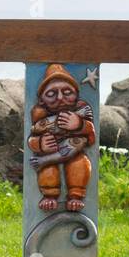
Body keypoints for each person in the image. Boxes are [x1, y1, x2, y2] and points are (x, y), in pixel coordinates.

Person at [28, 64, 96, 212]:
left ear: (76, 95)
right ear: (41, 100)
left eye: (67, 92)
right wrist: (40, 144)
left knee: (80, 163)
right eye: (51, 94)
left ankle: (76, 196)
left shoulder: (81, 109)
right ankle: (49, 195)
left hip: (74, 150)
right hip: (50, 152)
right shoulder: (40, 115)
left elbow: (91, 137)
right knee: (48, 167)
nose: (60, 98)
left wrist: (79, 124)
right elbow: (32, 139)